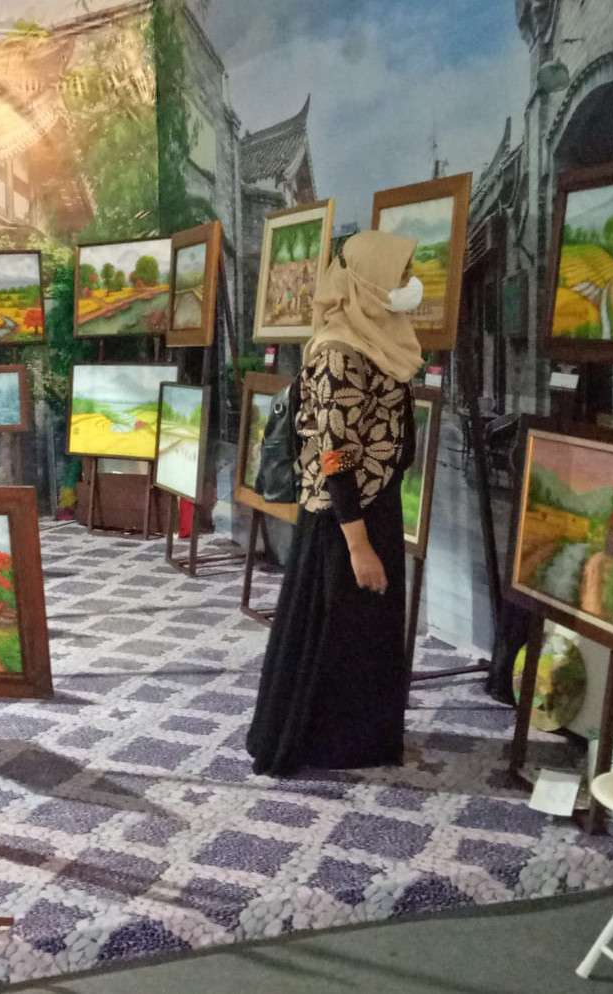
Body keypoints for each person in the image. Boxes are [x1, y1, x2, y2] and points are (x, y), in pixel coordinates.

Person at [246, 230, 424, 776]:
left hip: (375, 505)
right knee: (335, 631)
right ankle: (319, 741)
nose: (408, 283)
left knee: (363, 634)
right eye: (397, 274)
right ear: (368, 282)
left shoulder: (378, 339)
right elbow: (335, 456)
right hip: (344, 519)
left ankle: (357, 739)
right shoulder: (339, 354)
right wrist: (359, 545)